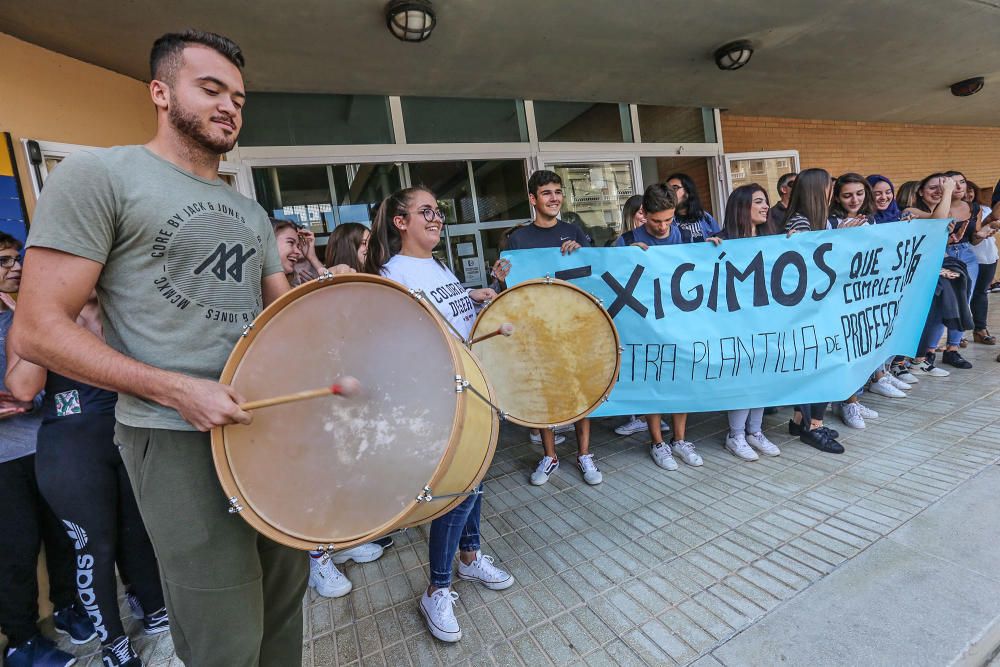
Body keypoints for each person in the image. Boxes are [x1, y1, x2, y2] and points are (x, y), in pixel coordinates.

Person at [12, 31, 308, 666]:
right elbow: (36, 329)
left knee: (285, 606)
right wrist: (175, 388)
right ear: (160, 91)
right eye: (210, 89)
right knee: (223, 631)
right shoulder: (101, 175)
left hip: (266, 425)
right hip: (170, 434)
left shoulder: (249, 212)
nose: (230, 105)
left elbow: (285, 318)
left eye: (238, 96)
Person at [363, 186, 514, 644]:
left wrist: (475, 299)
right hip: (439, 395)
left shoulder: (436, 265)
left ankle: (469, 557)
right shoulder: (391, 273)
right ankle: (437, 587)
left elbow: (449, 315)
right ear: (400, 221)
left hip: (474, 386)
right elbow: (397, 339)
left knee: (478, 477)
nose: (436, 218)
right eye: (425, 212)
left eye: (439, 212)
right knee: (459, 488)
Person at [6, 289, 167, 667]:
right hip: (70, 446)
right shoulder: (39, 318)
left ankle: (151, 605)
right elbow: (23, 388)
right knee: (94, 547)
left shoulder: (121, 306)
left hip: (126, 431)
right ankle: (113, 643)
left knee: (137, 532)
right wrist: (42, 320)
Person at [0, 233, 98, 667]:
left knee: (63, 535)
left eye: (17, 258)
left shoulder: (23, 313)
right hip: (3, 460)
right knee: (16, 549)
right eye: (5, 261)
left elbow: (31, 387)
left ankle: (66, 608)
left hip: (46, 440)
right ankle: (22, 641)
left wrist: (26, 397)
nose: (16, 267)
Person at [505, 170, 602, 486]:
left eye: (558, 192)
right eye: (547, 193)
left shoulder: (574, 231)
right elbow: (507, 281)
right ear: (533, 199)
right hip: (539, 329)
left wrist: (582, 252)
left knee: (580, 390)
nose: (554, 198)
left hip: (574, 325)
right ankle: (550, 456)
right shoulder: (518, 239)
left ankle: (584, 455)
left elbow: (596, 270)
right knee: (545, 392)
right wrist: (499, 272)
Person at [614, 183, 704, 471]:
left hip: (680, 322)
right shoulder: (626, 241)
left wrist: (712, 250)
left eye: (669, 219)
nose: (664, 226)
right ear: (644, 213)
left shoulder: (684, 237)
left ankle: (679, 439)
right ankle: (656, 442)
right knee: (651, 382)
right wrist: (625, 258)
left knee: (683, 380)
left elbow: (702, 271)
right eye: (656, 221)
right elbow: (608, 277)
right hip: (643, 326)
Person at [714, 185, 782, 460]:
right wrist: (707, 251)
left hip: (766, 321)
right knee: (744, 377)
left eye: (765, 201)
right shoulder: (720, 241)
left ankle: (755, 431)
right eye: (758, 202)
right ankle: (736, 434)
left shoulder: (773, 238)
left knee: (763, 374)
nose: (766, 206)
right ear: (742, 207)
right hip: (736, 323)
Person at [782, 168, 844, 453]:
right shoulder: (801, 222)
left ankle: (800, 420)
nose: (832, 191)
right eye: (829, 186)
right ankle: (813, 425)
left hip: (821, 305)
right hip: (812, 308)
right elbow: (808, 266)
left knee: (820, 363)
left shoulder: (819, 221)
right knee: (823, 365)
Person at [613, 194, 653, 437]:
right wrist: (627, 254)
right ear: (631, 215)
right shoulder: (622, 242)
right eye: (640, 213)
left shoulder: (659, 239)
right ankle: (637, 414)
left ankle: (652, 413)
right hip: (631, 311)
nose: (644, 217)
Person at [965, 181, 998, 345]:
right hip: (967, 258)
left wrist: (992, 224)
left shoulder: (985, 209)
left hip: (988, 257)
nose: (968, 194)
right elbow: (972, 237)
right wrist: (987, 223)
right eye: (965, 191)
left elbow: (994, 227)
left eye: (971, 191)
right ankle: (957, 336)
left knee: (981, 293)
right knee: (962, 296)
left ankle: (980, 329)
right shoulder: (956, 212)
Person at [665, 172, 721, 242]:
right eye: (667, 189)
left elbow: (720, 241)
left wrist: (713, 242)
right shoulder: (665, 219)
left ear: (688, 191)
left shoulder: (705, 217)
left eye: (674, 188)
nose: (669, 192)